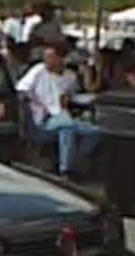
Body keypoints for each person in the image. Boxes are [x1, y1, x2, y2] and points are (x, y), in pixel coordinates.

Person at [16, 40, 101, 179]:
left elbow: (74, 96)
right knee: (68, 125)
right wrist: (34, 101)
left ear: (61, 59)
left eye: (51, 57)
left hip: (62, 116)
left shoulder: (70, 76)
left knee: (90, 132)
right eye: (45, 56)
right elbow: (21, 89)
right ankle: (67, 169)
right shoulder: (38, 71)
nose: (46, 60)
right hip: (43, 119)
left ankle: (70, 166)